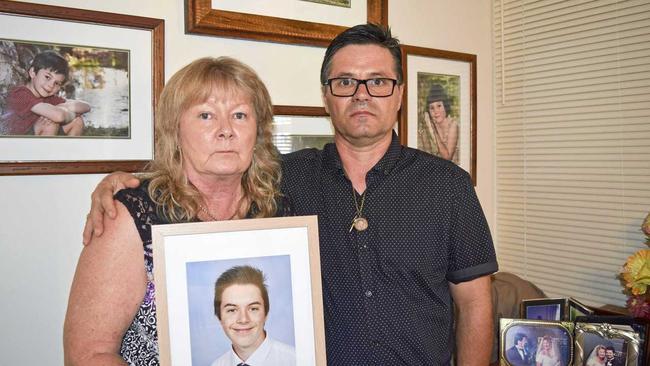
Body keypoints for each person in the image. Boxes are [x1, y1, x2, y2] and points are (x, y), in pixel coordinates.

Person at [83, 23, 497, 365]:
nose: (361, 94)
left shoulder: (448, 185)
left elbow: (476, 306)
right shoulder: (285, 179)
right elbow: (208, 170)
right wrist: (123, 180)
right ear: (326, 96)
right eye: (345, 82)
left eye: (379, 82)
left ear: (400, 95)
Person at [63, 56, 285, 365]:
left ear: (258, 132)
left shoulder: (280, 208)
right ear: (175, 131)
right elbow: (87, 355)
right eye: (206, 115)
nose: (225, 131)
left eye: (240, 115)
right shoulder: (132, 215)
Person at [211, 265, 296, 366]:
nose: (243, 319)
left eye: (253, 309)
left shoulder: (296, 360)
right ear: (219, 317)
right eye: (232, 310)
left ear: (266, 313)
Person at [2, 50, 88, 136]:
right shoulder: (20, 94)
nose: (51, 85)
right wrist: (62, 112)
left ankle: (66, 149)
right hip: (15, 141)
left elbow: (86, 106)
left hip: (35, 133)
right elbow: (59, 116)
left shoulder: (47, 97)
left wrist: (59, 108)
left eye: (57, 83)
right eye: (47, 77)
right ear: (33, 73)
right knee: (50, 123)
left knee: (77, 121)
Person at [417, 83, 459, 163]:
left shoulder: (453, 124)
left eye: (439, 106)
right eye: (432, 108)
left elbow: (447, 158)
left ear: (445, 106)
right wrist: (427, 129)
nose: (436, 111)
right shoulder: (426, 127)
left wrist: (432, 129)